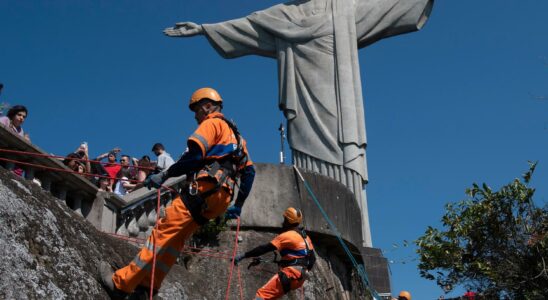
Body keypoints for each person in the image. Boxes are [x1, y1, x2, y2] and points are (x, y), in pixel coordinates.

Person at [163, 0, 434, 247]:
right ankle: (312, 225)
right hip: (304, 109)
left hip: (340, 105)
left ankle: (359, 241)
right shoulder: (282, 16)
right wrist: (202, 29)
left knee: (345, 154)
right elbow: (245, 26)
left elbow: (393, 5)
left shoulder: (344, 8)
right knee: (306, 156)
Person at [98, 87, 256, 297]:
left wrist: (165, 175)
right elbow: (250, 173)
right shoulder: (238, 138)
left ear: (207, 106)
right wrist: (239, 205)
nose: (196, 116)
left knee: (161, 234)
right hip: (221, 198)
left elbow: (194, 157)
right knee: (175, 242)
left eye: (197, 110)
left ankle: (121, 283)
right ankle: (147, 288)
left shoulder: (212, 123)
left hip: (204, 188)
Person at [234, 207, 316, 299]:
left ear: (288, 221)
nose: (283, 222)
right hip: (299, 279)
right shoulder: (306, 238)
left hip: (289, 274)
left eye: (285, 220)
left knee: (261, 296)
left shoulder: (287, 236)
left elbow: (264, 248)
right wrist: (301, 271)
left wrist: (244, 255)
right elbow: (312, 259)